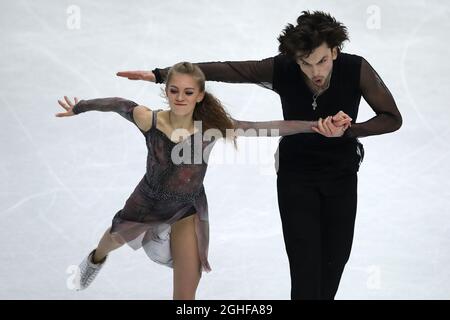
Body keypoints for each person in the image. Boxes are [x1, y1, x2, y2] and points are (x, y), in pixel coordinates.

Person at [116, 11, 403, 300]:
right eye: (305, 63)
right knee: (305, 268)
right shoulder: (284, 68)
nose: (315, 71)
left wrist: (350, 130)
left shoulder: (356, 69)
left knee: (334, 261)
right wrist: (161, 75)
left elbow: (392, 117)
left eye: (322, 61)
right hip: (296, 177)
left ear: (335, 51)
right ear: (295, 58)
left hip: (341, 176)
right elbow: (229, 70)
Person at [56, 61, 351, 300]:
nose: (180, 98)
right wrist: (80, 106)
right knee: (114, 238)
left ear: (199, 95)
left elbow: (267, 127)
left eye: (187, 92)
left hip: (187, 209)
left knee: (186, 295)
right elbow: (119, 104)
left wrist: (315, 125)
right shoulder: (150, 120)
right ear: (167, 93)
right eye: (174, 91)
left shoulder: (211, 128)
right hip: (146, 201)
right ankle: (96, 258)